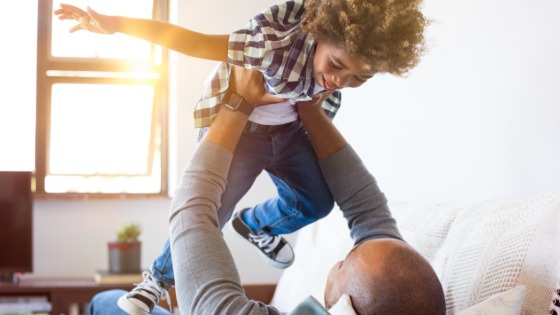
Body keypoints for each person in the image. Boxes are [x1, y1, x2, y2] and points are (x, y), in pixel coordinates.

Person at [54, 0, 429, 313]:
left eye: (359, 78)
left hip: (283, 131)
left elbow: (193, 218)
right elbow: (195, 42)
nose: (342, 82)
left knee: (314, 202)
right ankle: (158, 279)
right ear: (319, 35)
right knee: (215, 213)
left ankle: (253, 225)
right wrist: (117, 24)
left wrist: (272, 104)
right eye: (338, 66)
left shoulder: (330, 71)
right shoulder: (272, 46)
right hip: (244, 133)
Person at [85, 67, 446, 315]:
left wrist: (237, 104)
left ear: (344, 308)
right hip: (285, 126)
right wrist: (307, 102)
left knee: (106, 302)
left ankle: (155, 279)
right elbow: (368, 211)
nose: (339, 260)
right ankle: (254, 223)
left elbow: (193, 212)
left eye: (344, 264)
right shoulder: (397, 301)